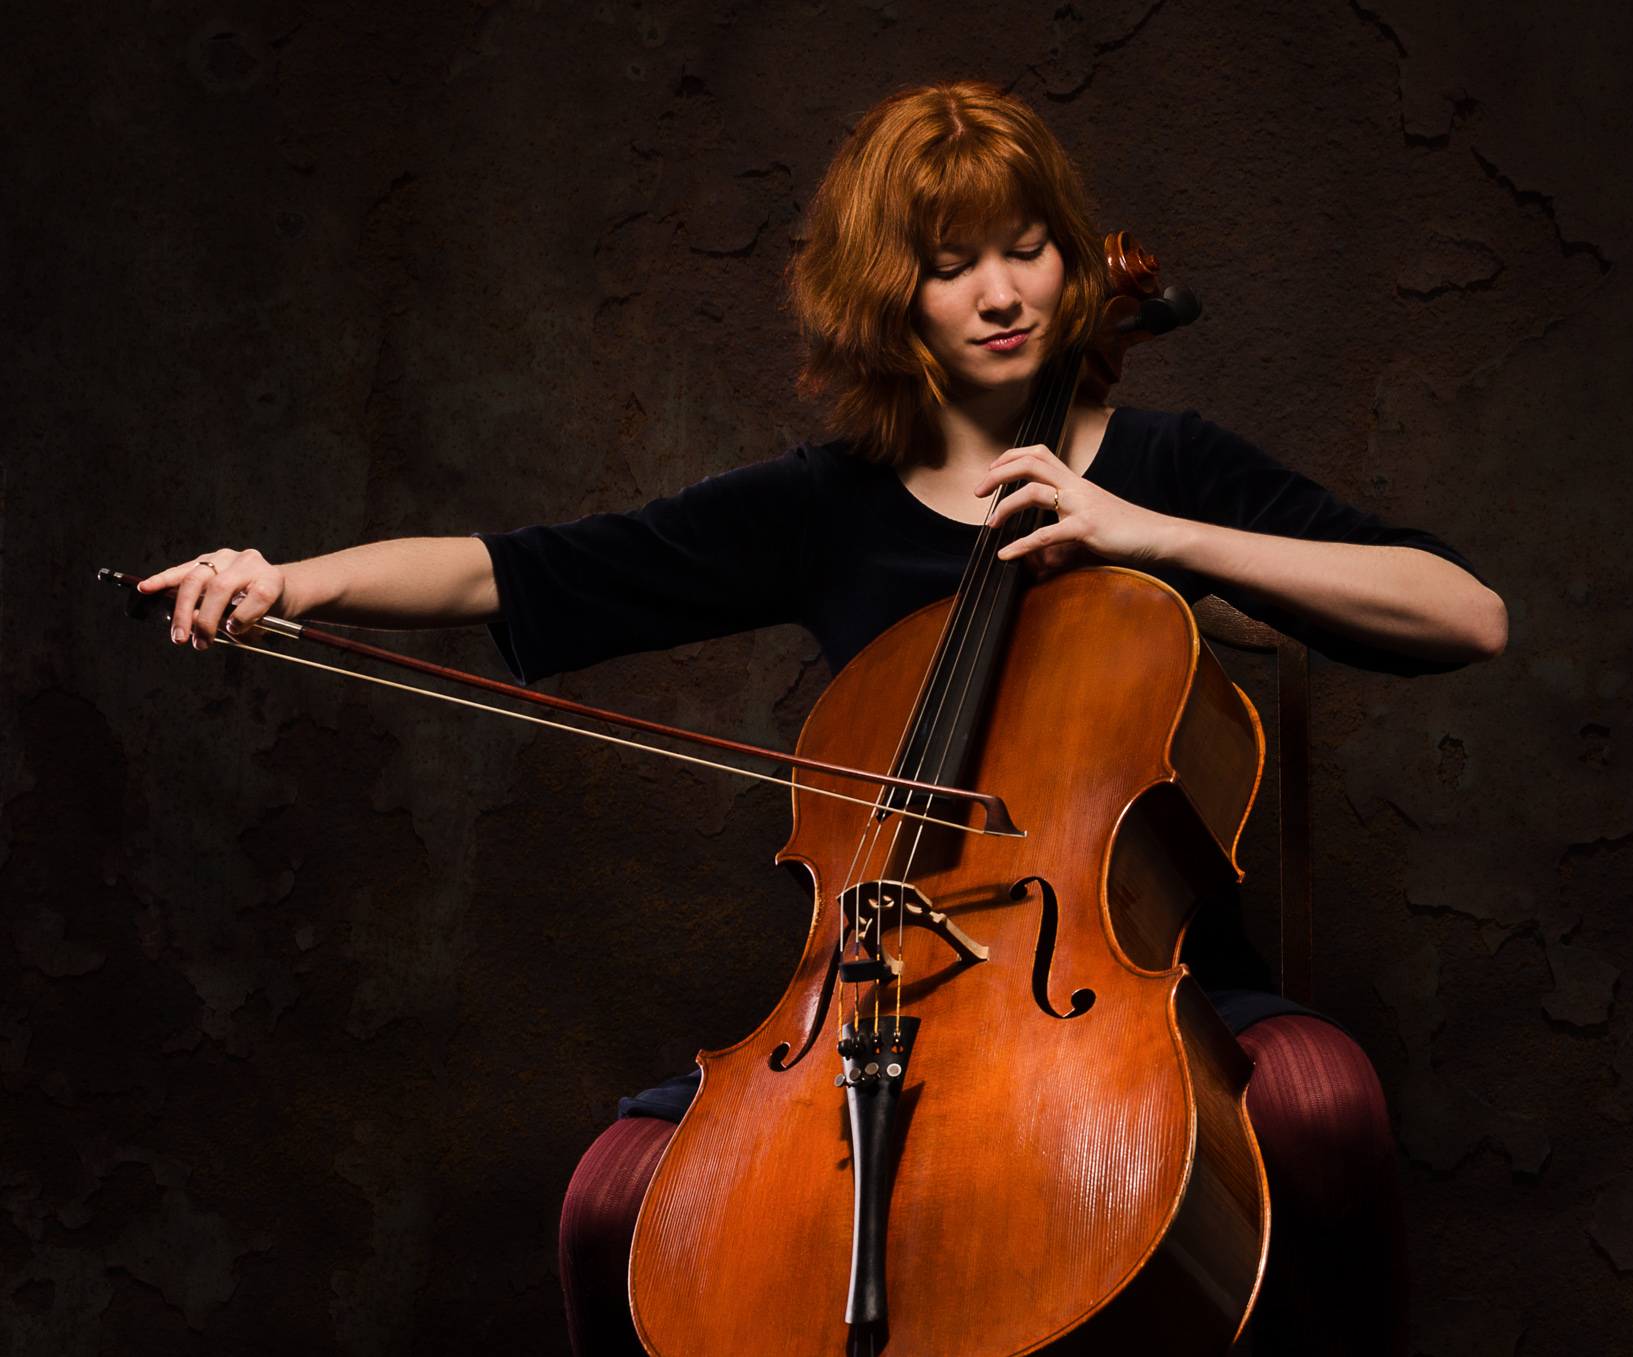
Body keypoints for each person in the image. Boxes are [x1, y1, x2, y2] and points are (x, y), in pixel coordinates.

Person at [142, 82, 1506, 1357]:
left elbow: (1463, 612)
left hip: (1144, 995)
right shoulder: (827, 504)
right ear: (887, 295)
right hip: (867, 1005)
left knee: (1324, 1106)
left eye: (1025, 247)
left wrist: (1151, 533)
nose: (999, 293)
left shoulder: (1166, 466)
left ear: (1072, 259)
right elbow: (517, 567)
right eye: (950, 262)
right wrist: (290, 582)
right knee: (614, 1199)